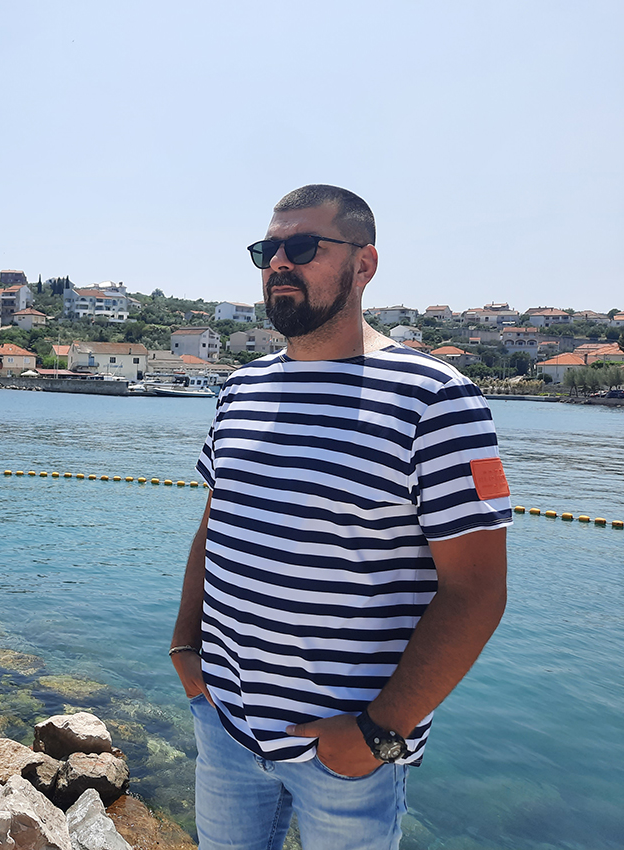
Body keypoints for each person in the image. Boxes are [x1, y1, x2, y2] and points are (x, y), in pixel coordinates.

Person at [171, 185, 511, 850]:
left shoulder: (437, 401)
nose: (278, 263)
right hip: (226, 728)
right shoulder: (241, 390)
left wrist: (378, 734)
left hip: (349, 756)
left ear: (365, 264)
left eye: (302, 247)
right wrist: (187, 649)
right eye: (267, 250)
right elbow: (215, 528)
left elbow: (476, 592)